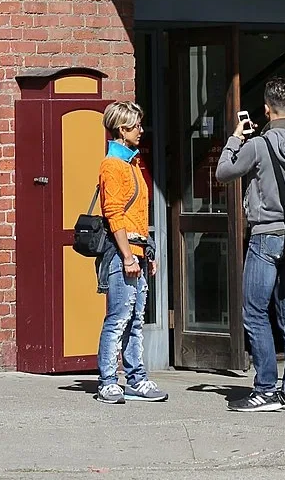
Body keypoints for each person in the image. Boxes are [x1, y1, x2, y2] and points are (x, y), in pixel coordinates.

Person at [216, 75, 285, 412]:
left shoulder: (257, 146)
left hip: (265, 236)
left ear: (266, 110)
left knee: (254, 311)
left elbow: (223, 172)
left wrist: (235, 140)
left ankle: (265, 388)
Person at [95, 100, 168, 404]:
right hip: (120, 253)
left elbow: (139, 214)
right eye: (136, 125)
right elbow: (114, 214)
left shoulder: (133, 164)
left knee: (136, 318)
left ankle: (137, 378)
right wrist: (127, 256)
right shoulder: (113, 166)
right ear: (122, 129)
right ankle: (108, 381)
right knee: (119, 317)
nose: (141, 130)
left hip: (138, 250)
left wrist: (146, 252)